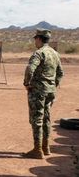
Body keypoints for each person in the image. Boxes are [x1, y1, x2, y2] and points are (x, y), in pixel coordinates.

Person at [22, 29, 63, 159]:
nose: (35, 41)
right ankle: (46, 147)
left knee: (37, 119)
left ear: (39, 39)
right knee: (46, 117)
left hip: (38, 91)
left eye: (35, 39)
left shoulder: (39, 53)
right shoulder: (55, 53)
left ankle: (37, 149)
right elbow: (61, 72)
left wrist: (27, 83)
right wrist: (53, 85)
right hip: (50, 91)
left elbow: (30, 68)